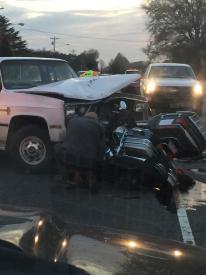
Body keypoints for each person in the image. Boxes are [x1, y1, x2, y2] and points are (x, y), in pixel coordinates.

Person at [54, 112, 105, 192]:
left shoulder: (72, 120)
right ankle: (88, 176)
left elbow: (65, 137)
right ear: (96, 119)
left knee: (57, 147)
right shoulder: (99, 126)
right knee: (88, 159)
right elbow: (101, 148)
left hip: (68, 156)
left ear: (85, 116)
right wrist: (99, 163)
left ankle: (67, 176)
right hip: (88, 160)